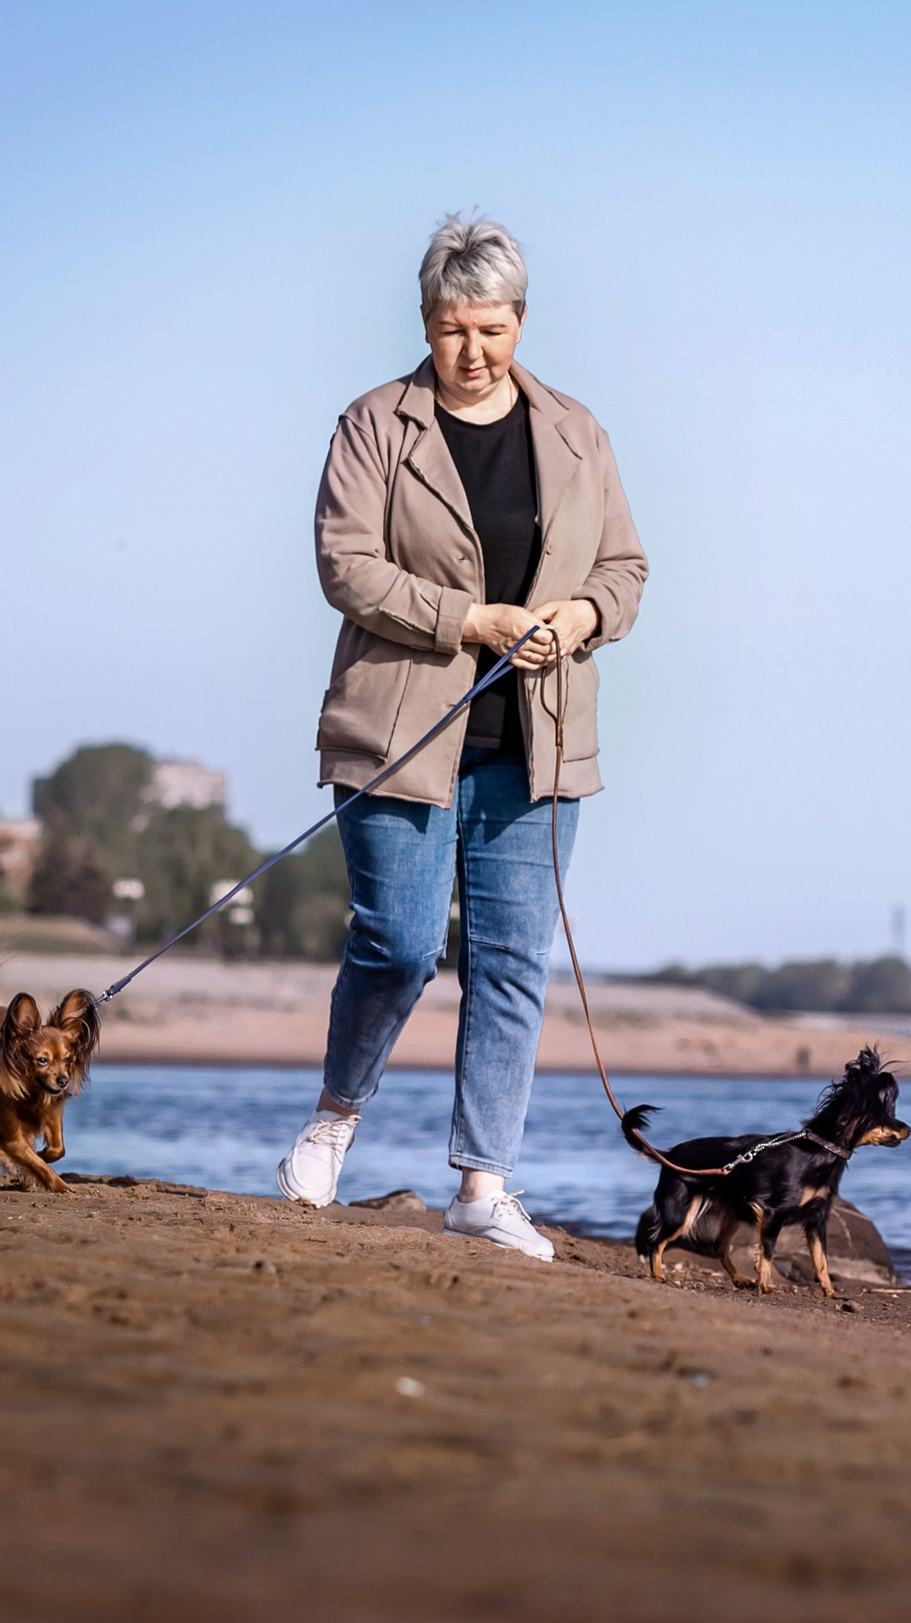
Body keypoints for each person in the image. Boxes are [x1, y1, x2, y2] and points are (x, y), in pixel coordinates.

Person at [274, 215, 648, 1257]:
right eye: (450, 328)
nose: (471, 349)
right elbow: (344, 564)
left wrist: (575, 621)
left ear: (520, 322)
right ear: (425, 323)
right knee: (396, 945)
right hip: (397, 728)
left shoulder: (578, 433)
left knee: (511, 961)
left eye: (490, 327)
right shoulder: (372, 425)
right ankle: (335, 1119)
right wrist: (470, 621)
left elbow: (623, 571)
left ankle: (484, 1185)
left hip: (538, 744)